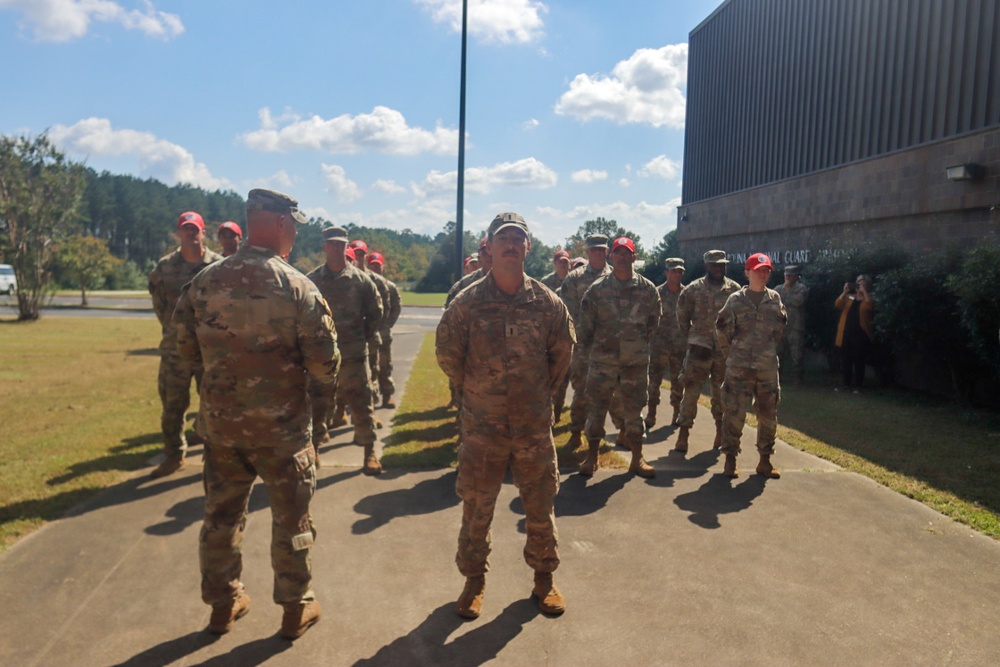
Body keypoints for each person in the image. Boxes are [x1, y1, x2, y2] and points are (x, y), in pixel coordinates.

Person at [173, 188, 340, 639]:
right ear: (284, 224)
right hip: (282, 433)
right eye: (295, 227)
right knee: (293, 522)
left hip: (223, 430)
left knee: (220, 519)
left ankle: (223, 605)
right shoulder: (297, 286)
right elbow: (325, 364)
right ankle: (294, 608)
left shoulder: (205, 281)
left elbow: (183, 349)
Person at [436, 212, 575, 619]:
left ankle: (544, 579)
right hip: (483, 428)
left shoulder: (548, 303)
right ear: (491, 247)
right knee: (477, 507)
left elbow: (562, 354)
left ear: (528, 248)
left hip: (533, 427)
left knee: (540, 504)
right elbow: (447, 354)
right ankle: (474, 580)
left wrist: (538, 396)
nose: (511, 244)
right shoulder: (467, 302)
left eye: (518, 238)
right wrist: (477, 390)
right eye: (503, 238)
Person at [147, 211, 223, 478]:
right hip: (174, 351)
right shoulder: (164, 267)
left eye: (195, 229)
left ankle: (216, 456)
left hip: (209, 351)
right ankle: (174, 455)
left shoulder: (219, 266)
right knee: (172, 406)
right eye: (185, 229)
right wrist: (174, 331)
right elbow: (160, 307)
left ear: (204, 232)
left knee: (215, 406)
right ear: (178, 233)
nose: (190, 233)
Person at [577, 237, 660, 478]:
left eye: (628, 253)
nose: (623, 257)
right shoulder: (597, 290)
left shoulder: (648, 290)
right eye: (618, 253)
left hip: (635, 364)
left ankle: (637, 458)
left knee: (634, 411)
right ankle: (591, 457)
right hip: (603, 363)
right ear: (611, 257)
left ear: (634, 257)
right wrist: (599, 351)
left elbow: (654, 324)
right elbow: (586, 328)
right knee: (597, 410)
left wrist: (636, 346)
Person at [308, 227, 384, 474]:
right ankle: (315, 448)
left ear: (346, 247)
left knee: (363, 404)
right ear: (324, 247)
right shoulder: (312, 280)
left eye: (340, 245)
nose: (336, 249)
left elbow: (376, 312)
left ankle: (369, 452)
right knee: (318, 406)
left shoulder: (362, 280)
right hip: (323, 356)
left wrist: (362, 336)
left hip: (353, 354)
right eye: (331, 244)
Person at [716, 253, 786, 478]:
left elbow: (778, 329)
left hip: (766, 367)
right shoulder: (735, 300)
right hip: (739, 367)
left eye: (766, 270)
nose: (763, 274)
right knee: (734, 413)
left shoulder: (775, 298)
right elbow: (722, 328)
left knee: (768, 414)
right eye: (758, 270)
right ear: (747, 273)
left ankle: (764, 461)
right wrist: (732, 354)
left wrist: (767, 351)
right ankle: (730, 460)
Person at [674, 249, 741, 453]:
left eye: (722, 264)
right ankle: (683, 435)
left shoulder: (734, 290)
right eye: (714, 264)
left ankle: (720, 433)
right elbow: (682, 317)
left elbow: (740, 319)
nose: (719, 268)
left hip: (723, 352)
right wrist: (693, 338)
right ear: (706, 266)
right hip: (699, 350)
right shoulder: (693, 289)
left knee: (721, 395)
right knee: (691, 394)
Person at [557, 234, 611, 448]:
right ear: (587, 252)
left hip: (609, 347)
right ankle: (576, 432)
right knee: (581, 391)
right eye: (594, 249)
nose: (598, 252)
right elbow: (567, 313)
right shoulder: (574, 278)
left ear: (607, 251)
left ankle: (617, 432)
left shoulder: (616, 277)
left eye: (602, 249)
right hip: (582, 346)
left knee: (610, 393)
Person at [646, 257, 687, 429]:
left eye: (679, 271)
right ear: (666, 272)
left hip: (680, 347)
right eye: (673, 271)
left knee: (679, 383)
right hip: (659, 346)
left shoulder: (687, 294)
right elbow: (648, 317)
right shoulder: (656, 293)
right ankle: (651, 413)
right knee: (654, 382)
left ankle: (676, 414)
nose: (676, 274)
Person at [350, 239, 391, 404]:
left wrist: (374, 329)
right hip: (347, 337)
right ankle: (341, 411)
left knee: (372, 372)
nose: (358, 257)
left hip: (370, 335)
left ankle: (373, 407)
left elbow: (385, 309)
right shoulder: (341, 277)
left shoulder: (376, 281)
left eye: (361, 254)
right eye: (355, 253)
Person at [367, 251, 402, 408]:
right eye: (372, 265)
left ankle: (387, 395)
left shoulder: (390, 287)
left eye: (378, 266)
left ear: (383, 267)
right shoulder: (363, 282)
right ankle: (370, 399)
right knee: (370, 368)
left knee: (385, 365)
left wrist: (387, 325)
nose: (375, 268)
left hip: (384, 333)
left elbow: (395, 308)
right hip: (368, 334)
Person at [835, 274, 875, 391]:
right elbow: (837, 304)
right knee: (846, 359)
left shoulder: (868, 298)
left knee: (858, 359)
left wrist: (864, 293)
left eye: (863, 283)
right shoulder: (850, 297)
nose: (860, 285)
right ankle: (846, 384)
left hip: (860, 334)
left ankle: (859, 385)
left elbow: (869, 307)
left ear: (867, 285)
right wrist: (844, 292)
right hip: (846, 333)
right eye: (858, 283)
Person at [774, 265, 808, 384]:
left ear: (796, 276)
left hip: (795, 326)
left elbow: (797, 302)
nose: (787, 277)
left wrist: (787, 292)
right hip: (780, 326)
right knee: (778, 353)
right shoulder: (778, 289)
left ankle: (798, 378)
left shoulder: (801, 288)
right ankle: (778, 377)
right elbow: (773, 304)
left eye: (790, 275)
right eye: (786, 275)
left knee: (797, 354)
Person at [445, 237, 492, 308]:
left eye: (493, 251)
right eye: (485, 252)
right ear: (479, 255)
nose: (489, 256)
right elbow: (449, 316)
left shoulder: (512, 283)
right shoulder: (464, 285)